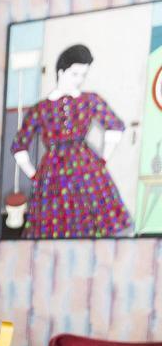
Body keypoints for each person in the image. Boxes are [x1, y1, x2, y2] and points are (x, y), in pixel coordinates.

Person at [11, 43, 131, 238]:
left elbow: (115, 126)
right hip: (52, 172)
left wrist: (103, 159)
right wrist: (34, 175)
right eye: (75, 74)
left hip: (86, 166)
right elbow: (19, 146)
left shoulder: (90, 100)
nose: (79, 80)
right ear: (61, 71)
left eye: (83, 75)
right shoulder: (40, 109)